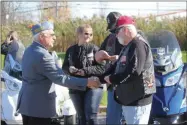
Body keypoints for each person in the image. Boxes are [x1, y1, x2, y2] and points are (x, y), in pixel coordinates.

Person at [16, 21, 100, 125]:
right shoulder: (43, 55)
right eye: (52, 35)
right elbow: (61, 78)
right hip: (39, 108)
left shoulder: (29, 50)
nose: (54, 38)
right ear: (42, 37)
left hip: (27, 105)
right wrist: (87, 82)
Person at [100, 15, 156, 124]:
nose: (115, 35)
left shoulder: (138, 44)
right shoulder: (129, 45)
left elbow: (134, 71)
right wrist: (101, 78)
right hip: (130, 99)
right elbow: (117, 67)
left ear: (125, 30)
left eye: (117, 31)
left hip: (138, 100)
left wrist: (112, 79)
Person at [62, 24, 105, 125]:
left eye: (91, 34)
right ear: (79, 34)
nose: (89, 36)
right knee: (81, 118)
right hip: (76, 86)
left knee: (91, 117)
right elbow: (64, 68)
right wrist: (70, 69)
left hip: (93, 86)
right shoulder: (71, 50)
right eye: (86, 33)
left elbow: (102, 68)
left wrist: (85, 71)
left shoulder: (95, 49)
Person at [95, 12, 125, 125]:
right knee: (113, 118)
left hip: (127, 84)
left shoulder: (134, 38)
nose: (114, 33)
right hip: (111, 84)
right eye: (112, 30)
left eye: (115, 29)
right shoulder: (109, 38)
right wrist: (100, 55)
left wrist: (118, 58)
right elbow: (98, 55)